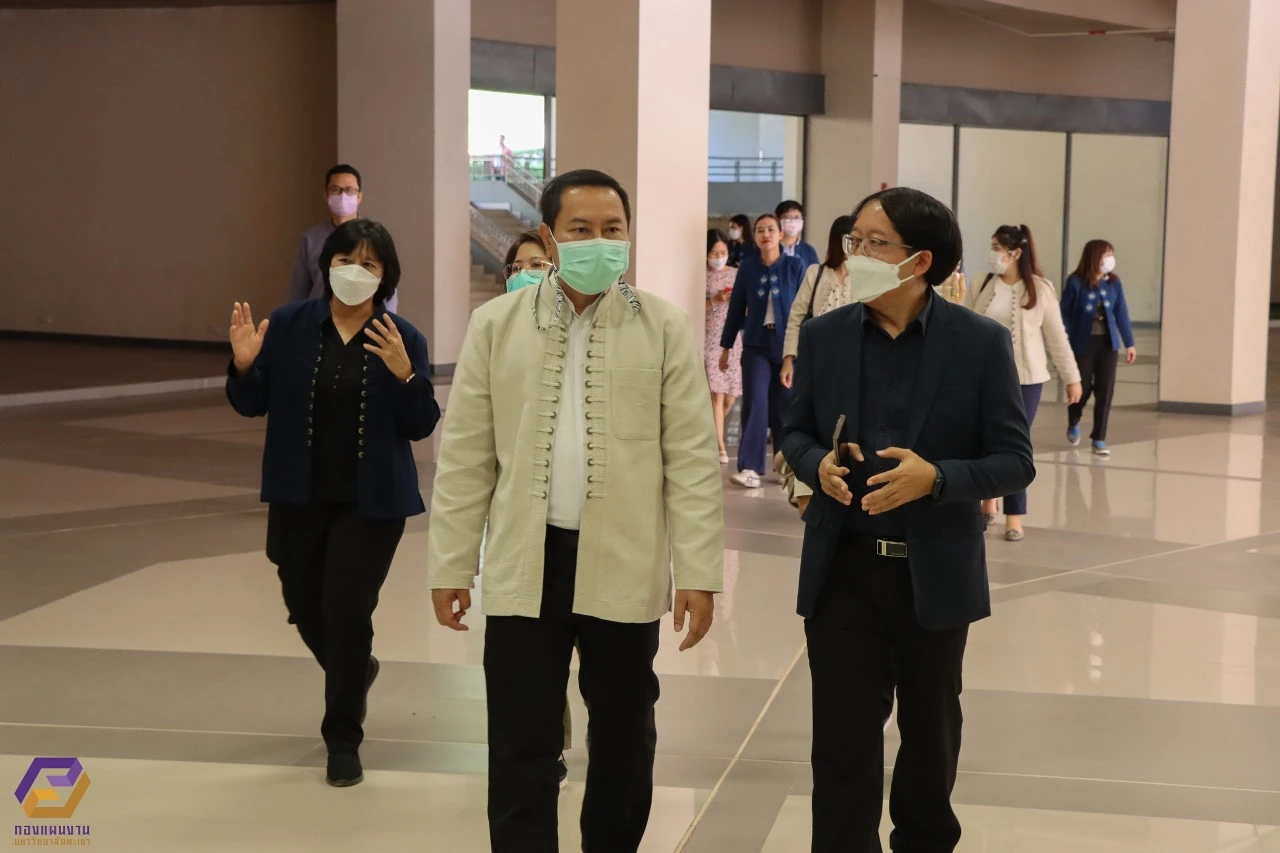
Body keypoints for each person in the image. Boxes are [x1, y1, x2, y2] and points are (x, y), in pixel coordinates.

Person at [426, 168, 723, 853]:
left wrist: (699, 570)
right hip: (526, 561)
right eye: (581, 230)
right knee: (521, 734)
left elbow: (691, 461)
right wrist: (450, 564)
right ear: (548, 238)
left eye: (612, 229)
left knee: (623, 732)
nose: (599, 242)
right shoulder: (496, 324)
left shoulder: (664, 327)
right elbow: (467, 458)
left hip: (625, 559)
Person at [780, 187, 1034, 852]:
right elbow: (794, 431)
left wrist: (940, 477)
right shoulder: (825, 335)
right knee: (840, 751)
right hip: (844, 570)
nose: (855, 253)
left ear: (919, 260)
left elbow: (1014, 460)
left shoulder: (978, 343)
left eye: (873, 242)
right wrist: (816, 466)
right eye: (853, 241)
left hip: (934, 574)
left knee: (929, 745)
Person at [226, 219, 440, 788]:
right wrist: (246, 365)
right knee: (301, 597)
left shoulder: (402, 337)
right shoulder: (292, 325)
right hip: (300, 494)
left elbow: (421, 424)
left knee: (346, 609)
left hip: (372, 503)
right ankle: (356, 669)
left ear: (385, 276)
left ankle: (342, 737)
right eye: (347, 260)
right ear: (328, 266)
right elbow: (251, 404)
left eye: (369, 265)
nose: (356, 272)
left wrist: (404, 374)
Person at [965, 224, 1082, 541]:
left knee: (1015, 446)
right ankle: (988, 499)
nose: (993, 254)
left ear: (1015, 253)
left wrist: (1072, 378)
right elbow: (961, 327)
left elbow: (1057, 338)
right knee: (979, 440)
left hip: (1026, 381)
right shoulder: (981, 283)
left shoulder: (1040, 289)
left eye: (997, 248)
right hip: (981, 377)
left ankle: (1014, 516)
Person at [719, 214, 807, 489]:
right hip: (755, 346)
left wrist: (794, 355)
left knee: (785, 410)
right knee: (755, 404)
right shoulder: (747, 267)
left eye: (771, 229)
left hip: (787, 348)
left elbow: (804, 311)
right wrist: (726, 347)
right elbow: (735, 309)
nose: (765, 234)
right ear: (755, 236)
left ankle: (786, 467)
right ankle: (749, 468)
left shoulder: (795, 266)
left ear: (781, 234)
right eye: (760, 230)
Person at [776, 214, 856, 513]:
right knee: (807, 427)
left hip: (851, 367)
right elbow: (797, 317)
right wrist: (788, 360)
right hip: (815, 365)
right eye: (852, 238)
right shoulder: (816, 273)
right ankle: (801, 488)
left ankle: (835, 485)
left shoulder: (865, 277)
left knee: (841, 431)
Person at [287, 165, 398, 314]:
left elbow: (389, 289)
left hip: (364, 322)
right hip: (319, 322)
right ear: (326, 195)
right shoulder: (310, 238)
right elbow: (299, 291)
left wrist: (387, 324)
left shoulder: (375, 237)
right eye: (336, 190)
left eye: (349, 190)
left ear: (359, 196)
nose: (343, 196)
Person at [1061, 239, 1136, 457]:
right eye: (1106, 255)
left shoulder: (1114, 283)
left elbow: (1121, 313)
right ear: (1094, 257)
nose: (1110, 260)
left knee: (1105, 390)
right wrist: (1063, 339)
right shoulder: (1075, 282)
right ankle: (1074, 419)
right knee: (1081, 387)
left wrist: (1129, 342)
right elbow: (1064, 312)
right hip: (1082, 343)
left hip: (1108, 344)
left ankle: (1099, 438)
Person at [705, 229, 742, 464]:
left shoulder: (737, 274)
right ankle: (719, 446)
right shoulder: (702, 275)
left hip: (733, 340)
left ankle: (708, 434)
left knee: (730, 397)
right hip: (709, 338)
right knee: (716, 394)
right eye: (714, 252)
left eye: (723, 252)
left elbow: (746, 305)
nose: (719, 256)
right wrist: (715, 300)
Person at [775, 200, 821, 268]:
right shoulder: (770, 247)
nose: (793, 221)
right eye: (788, 217)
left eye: (797, 217)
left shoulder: (808, 251)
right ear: (778, 220)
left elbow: (816, 276)